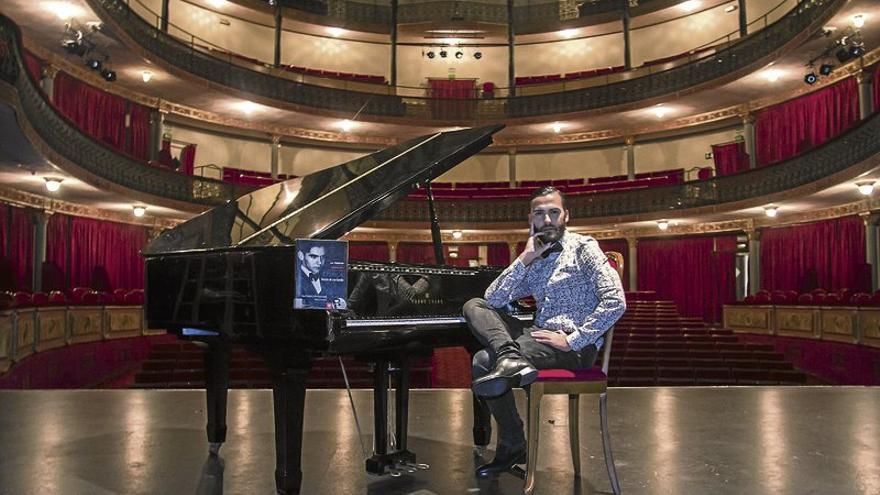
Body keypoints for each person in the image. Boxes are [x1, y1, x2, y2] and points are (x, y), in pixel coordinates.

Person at [462, 185, 626, 478]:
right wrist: (525, 258)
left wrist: (572, 339)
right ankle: (510, 357)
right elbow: (493, 299)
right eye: (540, 214)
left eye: (553, 212)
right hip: (538, 337)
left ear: (566, 216)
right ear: (531, 219)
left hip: (572, 347)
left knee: (482, 362)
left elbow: (616, 301)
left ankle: (512, 443)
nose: (547, 219)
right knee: (473, 304)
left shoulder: (584, 248)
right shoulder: (535, 257)